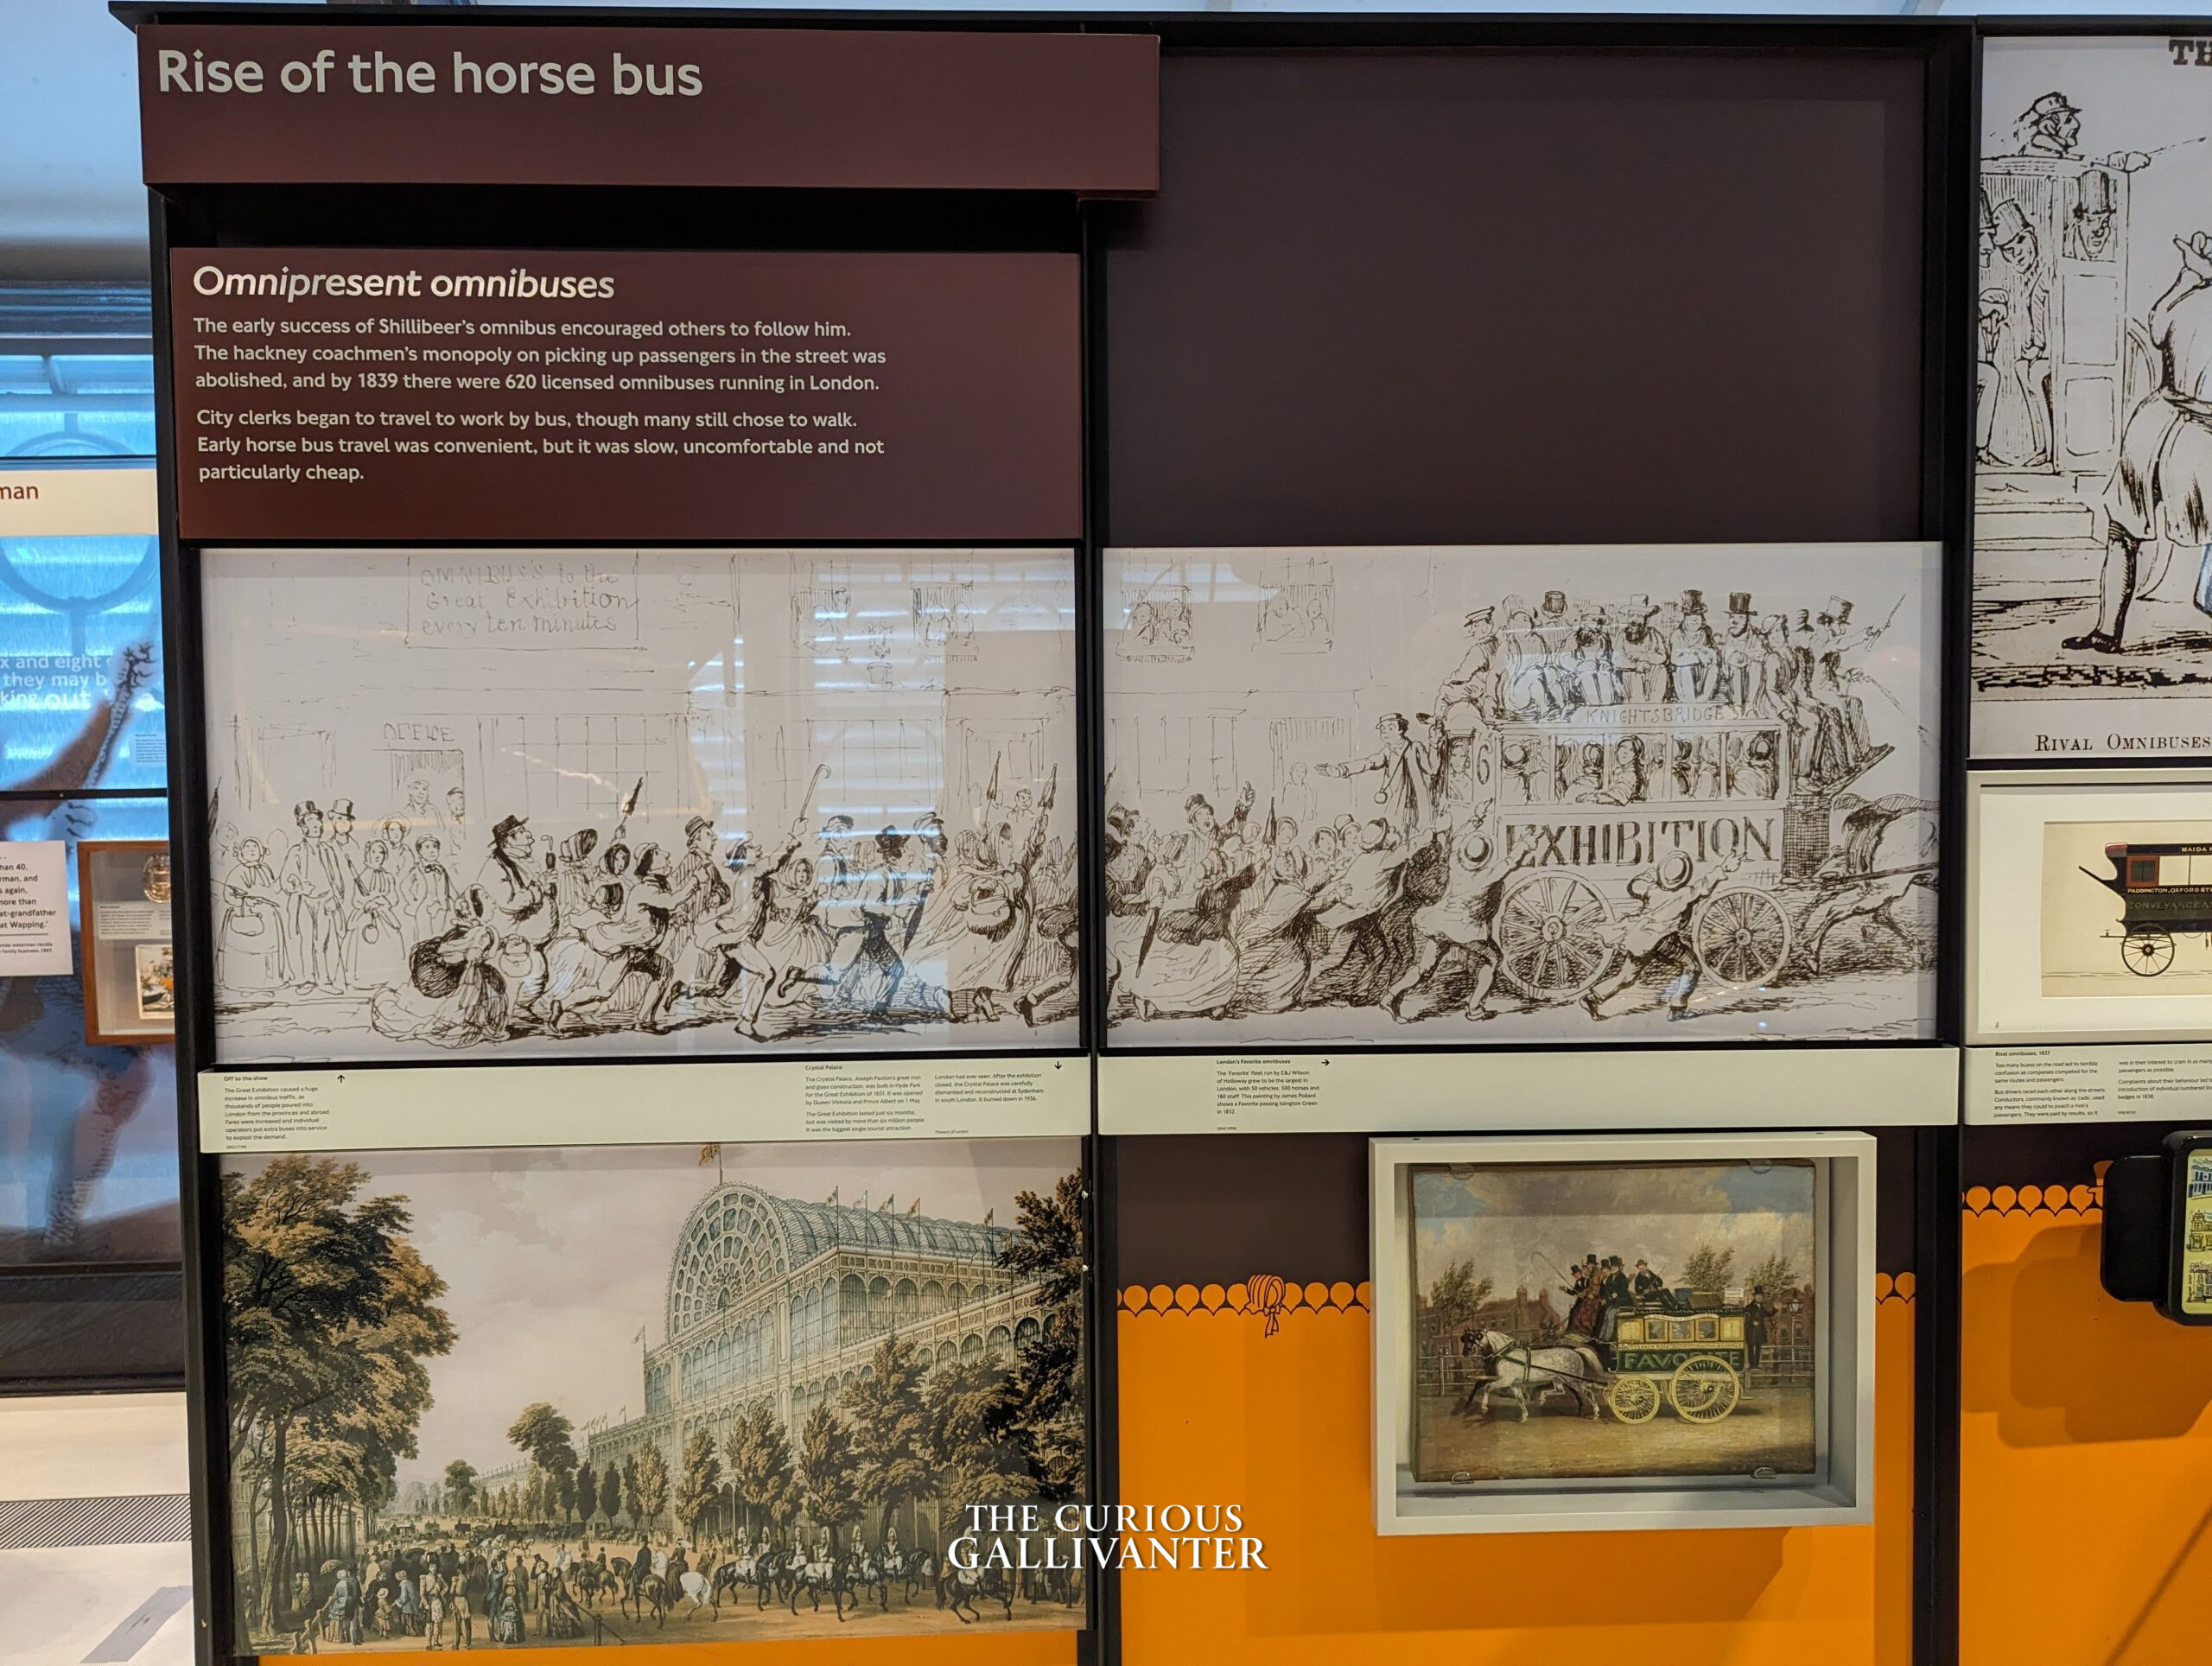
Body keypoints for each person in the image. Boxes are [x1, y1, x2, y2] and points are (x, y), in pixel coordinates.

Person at [2066, 231, 2212, 653]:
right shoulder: (2191, 299)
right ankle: (2106, 631)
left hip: (2158, 422)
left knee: (2122, 534)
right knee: (2122, 530)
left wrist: (2188, 277)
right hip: (2186, 431)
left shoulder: (2186, 299)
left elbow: (2156, 327)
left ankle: (2107, 631)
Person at [1581, 849, 1743, 1021]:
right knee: (1692, 967)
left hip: (1640, 939)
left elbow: (1635, 886)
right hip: (1663, 940)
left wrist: (1649, 875)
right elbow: (1704, 884)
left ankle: (1592, 998)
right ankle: (1677, 1009)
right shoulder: (1684, 893)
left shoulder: (1652, 889)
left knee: (1627, 976)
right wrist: (1723, 868)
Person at [218, 836, 289, 990]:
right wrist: (245, 902)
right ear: (241, 852)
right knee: (245, 949)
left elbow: (271, 890)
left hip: (266, 916)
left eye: (255, 847)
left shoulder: (265, 869)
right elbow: (228, 895)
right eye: (248, 847)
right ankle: (243, 983)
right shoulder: (237, 872)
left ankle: (268, 981)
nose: (252, 851)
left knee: (268, 948)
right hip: (244, 915)